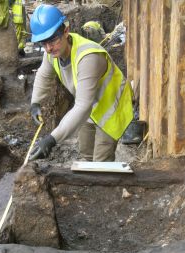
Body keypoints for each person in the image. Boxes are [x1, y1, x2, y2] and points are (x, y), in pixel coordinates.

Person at [28, 4, 133, 162]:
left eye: (53, 40)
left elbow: (83, 106)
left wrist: (51, 139)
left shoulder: (88, 57)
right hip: (89, 103)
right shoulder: (52, 52)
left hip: (111, 106)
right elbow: (43, 74)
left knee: (101, 162)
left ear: (65, 31)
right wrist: (35, 102)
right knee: (86, 154)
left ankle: (104, 184)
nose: (49, 48)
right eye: (44, 43)